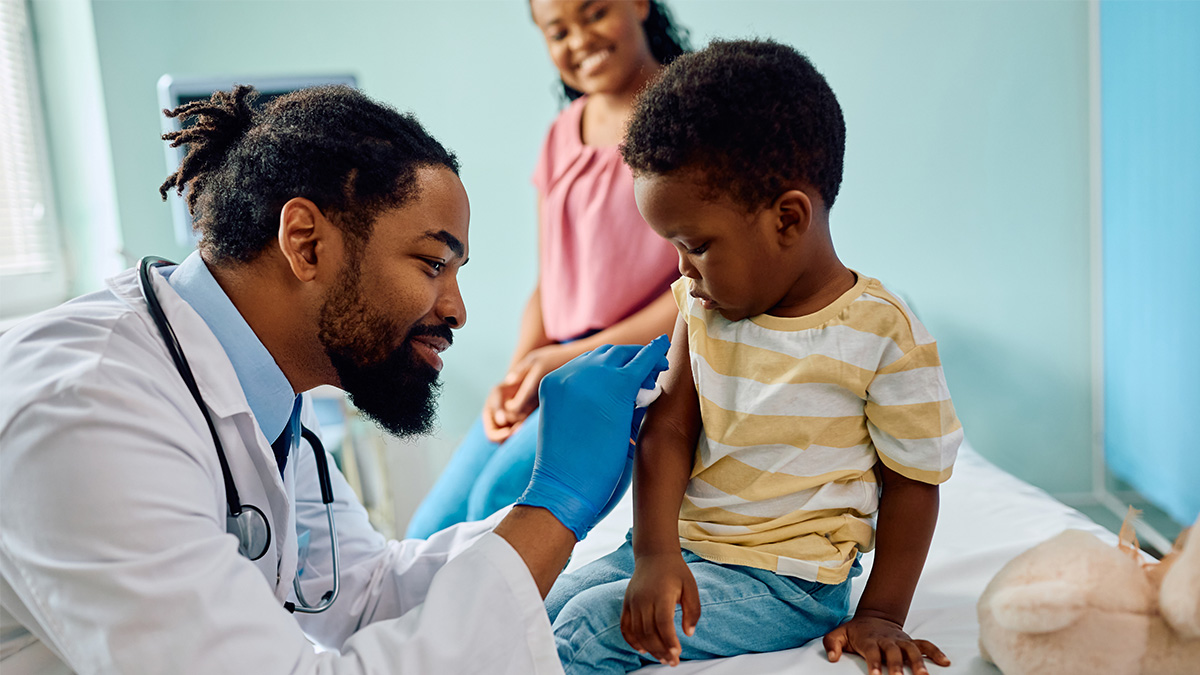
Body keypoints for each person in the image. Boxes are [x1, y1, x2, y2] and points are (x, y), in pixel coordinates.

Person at [0, 84, 669, 674]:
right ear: (307, 242)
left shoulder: (259, 393)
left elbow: (368, 592)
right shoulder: (87, 409)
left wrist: (565, 519)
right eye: (433, 262)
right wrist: (554, 503)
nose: (457, 308)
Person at [544, 40, 963, 675]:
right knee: (536, 604)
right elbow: (671, 428)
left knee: (584, 631)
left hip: (787, 583)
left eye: (697, 244)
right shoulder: (699, 304)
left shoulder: (882, 331)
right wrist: (657, 554)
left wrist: (881, 613)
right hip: (678, 548)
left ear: (788, 219)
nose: (682, 268)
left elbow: (913, 483)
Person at [404, 0, 689, 539]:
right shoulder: (562, 134)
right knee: (428, 529)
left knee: (495, 506)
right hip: (558, 362)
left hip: (632, 362)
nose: (579, 39)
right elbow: (550, 281)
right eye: (558, 31)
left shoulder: (687, 121)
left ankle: (485, 624)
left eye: (595, 13)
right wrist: (518, 375)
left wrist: (565, 358)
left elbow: (696, 289)